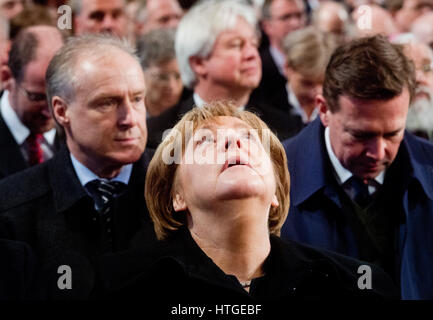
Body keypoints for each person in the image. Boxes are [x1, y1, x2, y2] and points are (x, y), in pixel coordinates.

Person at [98, 102, 398, 310]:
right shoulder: (121, 285)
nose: (234, 144)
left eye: (248, 138)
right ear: (176, 196)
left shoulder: (356, 285)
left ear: (275, 194)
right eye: (204, 142)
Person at [0, 34, 155, 299]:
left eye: (137, 99)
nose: (130, 119)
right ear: (61, 111)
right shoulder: (11, 207)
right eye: (107, 103)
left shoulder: (185, 187)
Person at [281, 35, 433, 299]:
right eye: (360, 135)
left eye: (392, 134)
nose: (378, 152)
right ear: (324, 110)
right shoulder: (275, 178)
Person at [147, 0, 303, 149]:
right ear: (199, 63)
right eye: (236, 45)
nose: (252, 54)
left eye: (254, 44)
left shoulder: (287, 130)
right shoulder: (159, 135)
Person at [0, 26, 64, 179]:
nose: (52, 111)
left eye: (60, 98)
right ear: (7, 78)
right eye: (38, 97)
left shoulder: (80, 131)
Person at [251, 0, 307, 112]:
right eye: (286, 17)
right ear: (266, 26)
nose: (295, 23)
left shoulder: (319, 63)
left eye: (299, 15)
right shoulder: (256, 70)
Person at [282, 26, 340, 124]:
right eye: (307, 83)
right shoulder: (263, 107)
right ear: (287, 68)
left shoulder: (338, 110)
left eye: (324, 84)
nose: (317, 92)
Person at [136, 27, 187, 118]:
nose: (172, 86)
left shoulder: (191, 117)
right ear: (140, 73)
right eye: (162, 77)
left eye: (178, 76)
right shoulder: (129, 117)